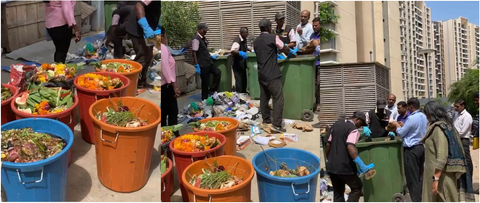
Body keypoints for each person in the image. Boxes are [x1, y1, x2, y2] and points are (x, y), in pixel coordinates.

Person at [421, 101, 471, 202]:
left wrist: (436, 180)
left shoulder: (438, 129)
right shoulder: (446, 126)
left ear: (431, 113)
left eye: (426, 114)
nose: (426, 117)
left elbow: (442, 156)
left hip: (441, 178)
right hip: (438, 175)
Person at [254, 18, 297, 133]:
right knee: (278, 99)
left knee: (264, 97)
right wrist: (291, 54)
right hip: (272, 74)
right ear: (268, 27)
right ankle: (277, 125)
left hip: (261, 74)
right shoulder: (273, 37)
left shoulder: (256, 41)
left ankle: (266, 120)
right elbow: (283, 47)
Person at [325, 111, 374, 202]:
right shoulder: (353, 129)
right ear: (356, 119)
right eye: (361, 123)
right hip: (345, 167)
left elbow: (328, 144)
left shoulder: (336, 125)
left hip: (332, 167)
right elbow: (350, 147)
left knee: (338, 192)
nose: (360, 126)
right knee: (357, 187)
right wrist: (361, 164)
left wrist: (329, 159)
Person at [392, 97, 427, 202]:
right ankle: (421, 197)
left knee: (412, 177)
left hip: (411, 149)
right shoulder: (423, 116)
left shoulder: (411, 118)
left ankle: (416, 200)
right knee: (419, 175)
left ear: (411, 106)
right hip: (421, 147)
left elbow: (401, 133)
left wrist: (396, 125)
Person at [122, 0, 161, 88]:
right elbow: (139, 6)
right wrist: (146, 27)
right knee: (143, 56)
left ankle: (141, 82)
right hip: (138, 30)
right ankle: (128, 83)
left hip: (150, 30)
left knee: (149, 56)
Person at [192, 23, 221, 100]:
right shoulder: (196, 39)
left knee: (217, 72)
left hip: (208, 62)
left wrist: (210, 56)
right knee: (205, 82)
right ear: (199, 30)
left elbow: (204, 50)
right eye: (204, 31)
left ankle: (212, 90)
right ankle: (204, 99)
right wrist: (196, 65)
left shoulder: (203, 38)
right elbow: (194, 52)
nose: (206, 32)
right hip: (202, 64)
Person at [453, 99, 474, 199]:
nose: (455, 108)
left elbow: (462, 131)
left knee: (466, 161)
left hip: (463, 140)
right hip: (456, 140)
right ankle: (460, 183)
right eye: (455, 106)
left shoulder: (467, 116)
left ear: (463, 106)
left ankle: (468, 183)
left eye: (457, 106)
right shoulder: (456, 114)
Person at [160, 26, 180, 128]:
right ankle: (172, 139)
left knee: (163, 114)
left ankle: (165, 138)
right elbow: (165, 67)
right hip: (166, 86)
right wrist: (174, 85)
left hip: (163, 86)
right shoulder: (162, 48)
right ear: (162, 36)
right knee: (172, 113)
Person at [230, 27, 250, 93]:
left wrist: (249, 49)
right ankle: (239, 94)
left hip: (242, 63)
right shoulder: (237, 40)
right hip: (237, 63)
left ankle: (244, 92)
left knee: (244, 79)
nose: (247, 34)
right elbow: (233, 50)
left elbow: (245, 47)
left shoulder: (244, 39)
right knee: (239, 79)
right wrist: (240, 52)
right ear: (242, 33)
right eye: (246, 32)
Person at [310, 17, 321, 114]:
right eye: (313, 25)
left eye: (316, 25)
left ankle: (319, 103)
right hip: (313, 63)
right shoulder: (312, 35)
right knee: (312, 84)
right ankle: (312, 103)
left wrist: (316, 46)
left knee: (319, 83)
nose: (314, 27)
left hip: (320, 64)